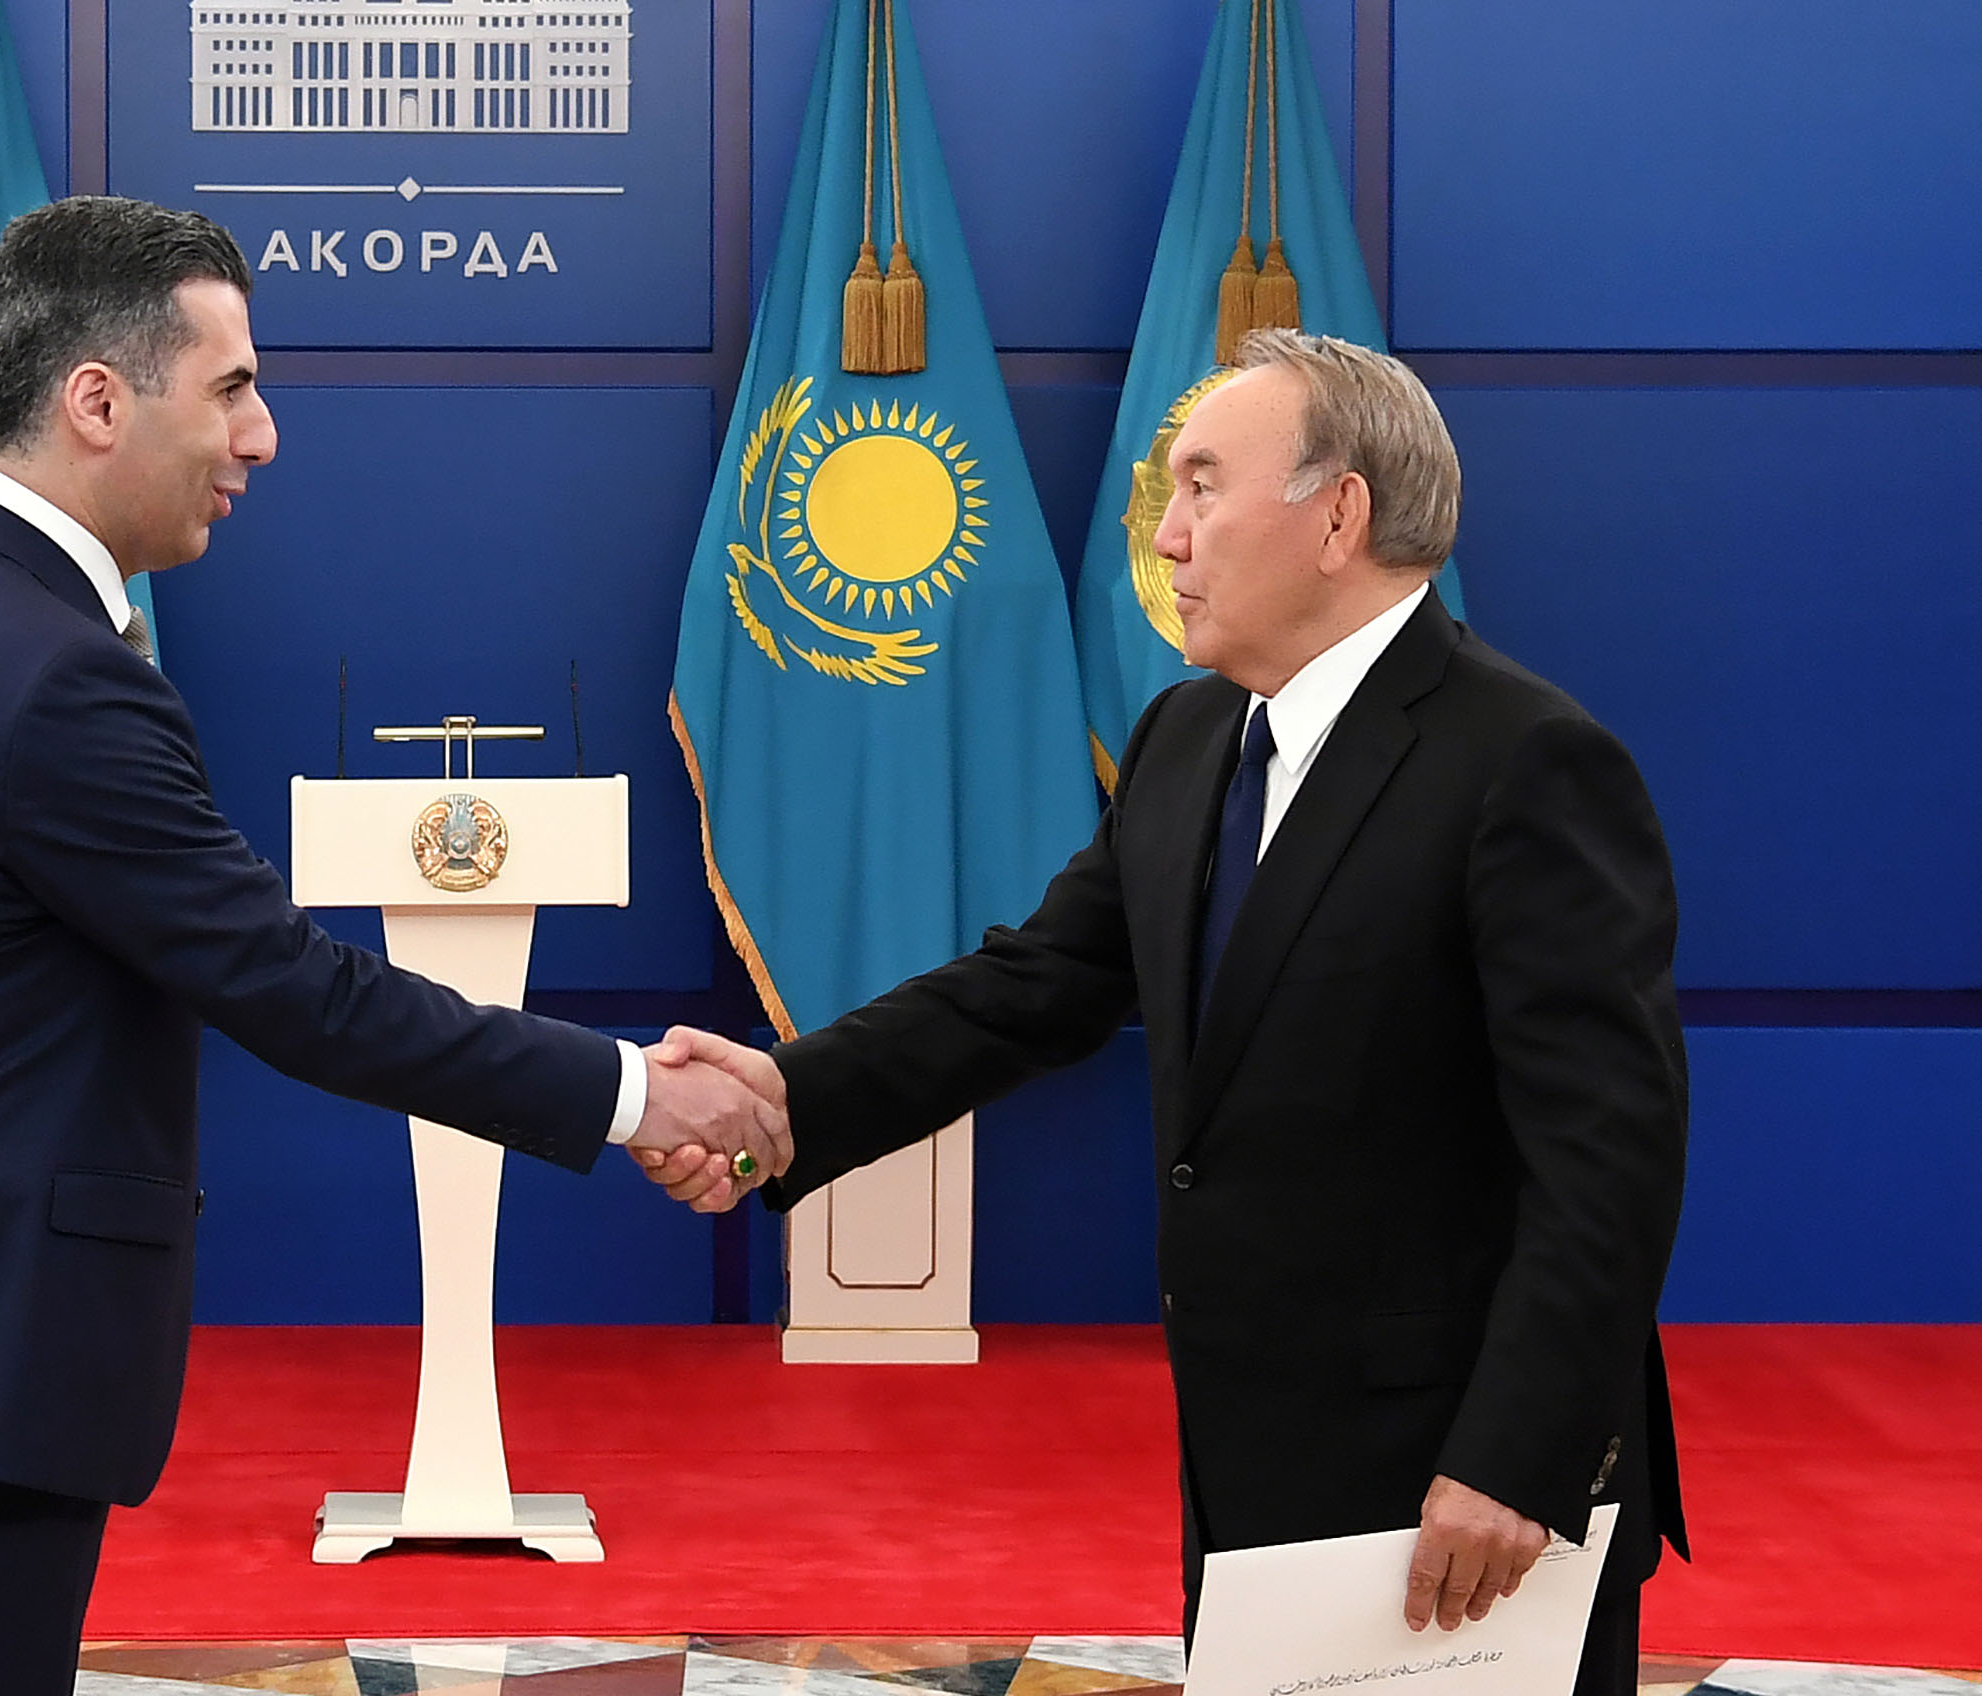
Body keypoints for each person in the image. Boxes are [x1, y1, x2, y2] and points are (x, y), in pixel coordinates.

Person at [0, 196, 778, 1696]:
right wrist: (635, 1096)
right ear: (97, 401)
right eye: (230, 388)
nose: (263, 438)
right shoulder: (52, 674)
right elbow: (297, 991)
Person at [651, 330, 1688, 1696]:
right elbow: (1033, 988)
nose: (1166, 534)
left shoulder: (1527, 761)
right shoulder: (1191, 740)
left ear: (1339, 517)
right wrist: (789, 1097)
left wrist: (1518, 1454)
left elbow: (1608, 1156)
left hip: (1467, 1489)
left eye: (1202, 486)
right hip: (1253, 1458)